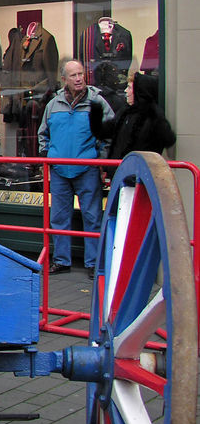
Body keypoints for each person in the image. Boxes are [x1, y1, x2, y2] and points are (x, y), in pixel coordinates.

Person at [38, 60, 113, 277]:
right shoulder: (53, 104)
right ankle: (61, 261)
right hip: (59, 170)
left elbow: (109, 133)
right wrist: (46, 155)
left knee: (92, 217)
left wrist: (102, 160)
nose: (79, 78)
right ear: (64, 79)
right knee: (59, 218)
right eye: (73, 75)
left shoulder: (97, 102)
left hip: (88, 168)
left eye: (81, 74)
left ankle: (93, 263)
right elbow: (43, 133)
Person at [90, 71, 176, 160]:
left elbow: (169, 140)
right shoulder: (125, 113)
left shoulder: (153, 116)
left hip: (140, 169)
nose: (125, 91)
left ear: (140, 92)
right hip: (118, 170)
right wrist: (96, 115)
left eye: (129, 88)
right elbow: (103, 132)